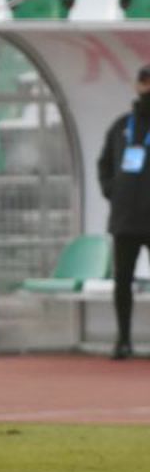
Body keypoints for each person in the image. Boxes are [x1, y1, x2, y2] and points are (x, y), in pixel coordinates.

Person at [96, 65, 150, 360]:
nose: (146, 86)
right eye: (143, 80)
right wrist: (112, 191)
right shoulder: (122, 126)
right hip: (125, 219)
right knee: (123, 283)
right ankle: (124, 339)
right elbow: (104, 164)